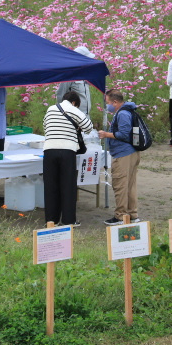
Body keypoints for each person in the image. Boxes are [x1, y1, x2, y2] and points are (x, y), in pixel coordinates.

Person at [43, 90, 93, 227]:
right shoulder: (74, 109)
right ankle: (68, 220)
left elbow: (45, 127)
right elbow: (89, 127)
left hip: (49, 151)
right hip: (67, 151)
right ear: (75, 102)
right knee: (68, 186)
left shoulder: (50, 109)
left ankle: (51, 220)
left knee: (50, 186)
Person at [98, 89, 141, 226]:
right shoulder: (128, 111)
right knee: (130, 184)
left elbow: (123, 134)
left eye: (108, 103)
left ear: (115, 102)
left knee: (120, 184)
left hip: (123, 154)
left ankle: (121, 215)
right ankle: (132, 214)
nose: (107, 106)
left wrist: (106, 134)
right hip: (131, 152)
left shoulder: (122, 113)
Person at [56, 46, 95, 116]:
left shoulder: (84, 74)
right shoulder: (69, 74)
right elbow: (60, 95)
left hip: (85, 116)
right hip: (73, 117)